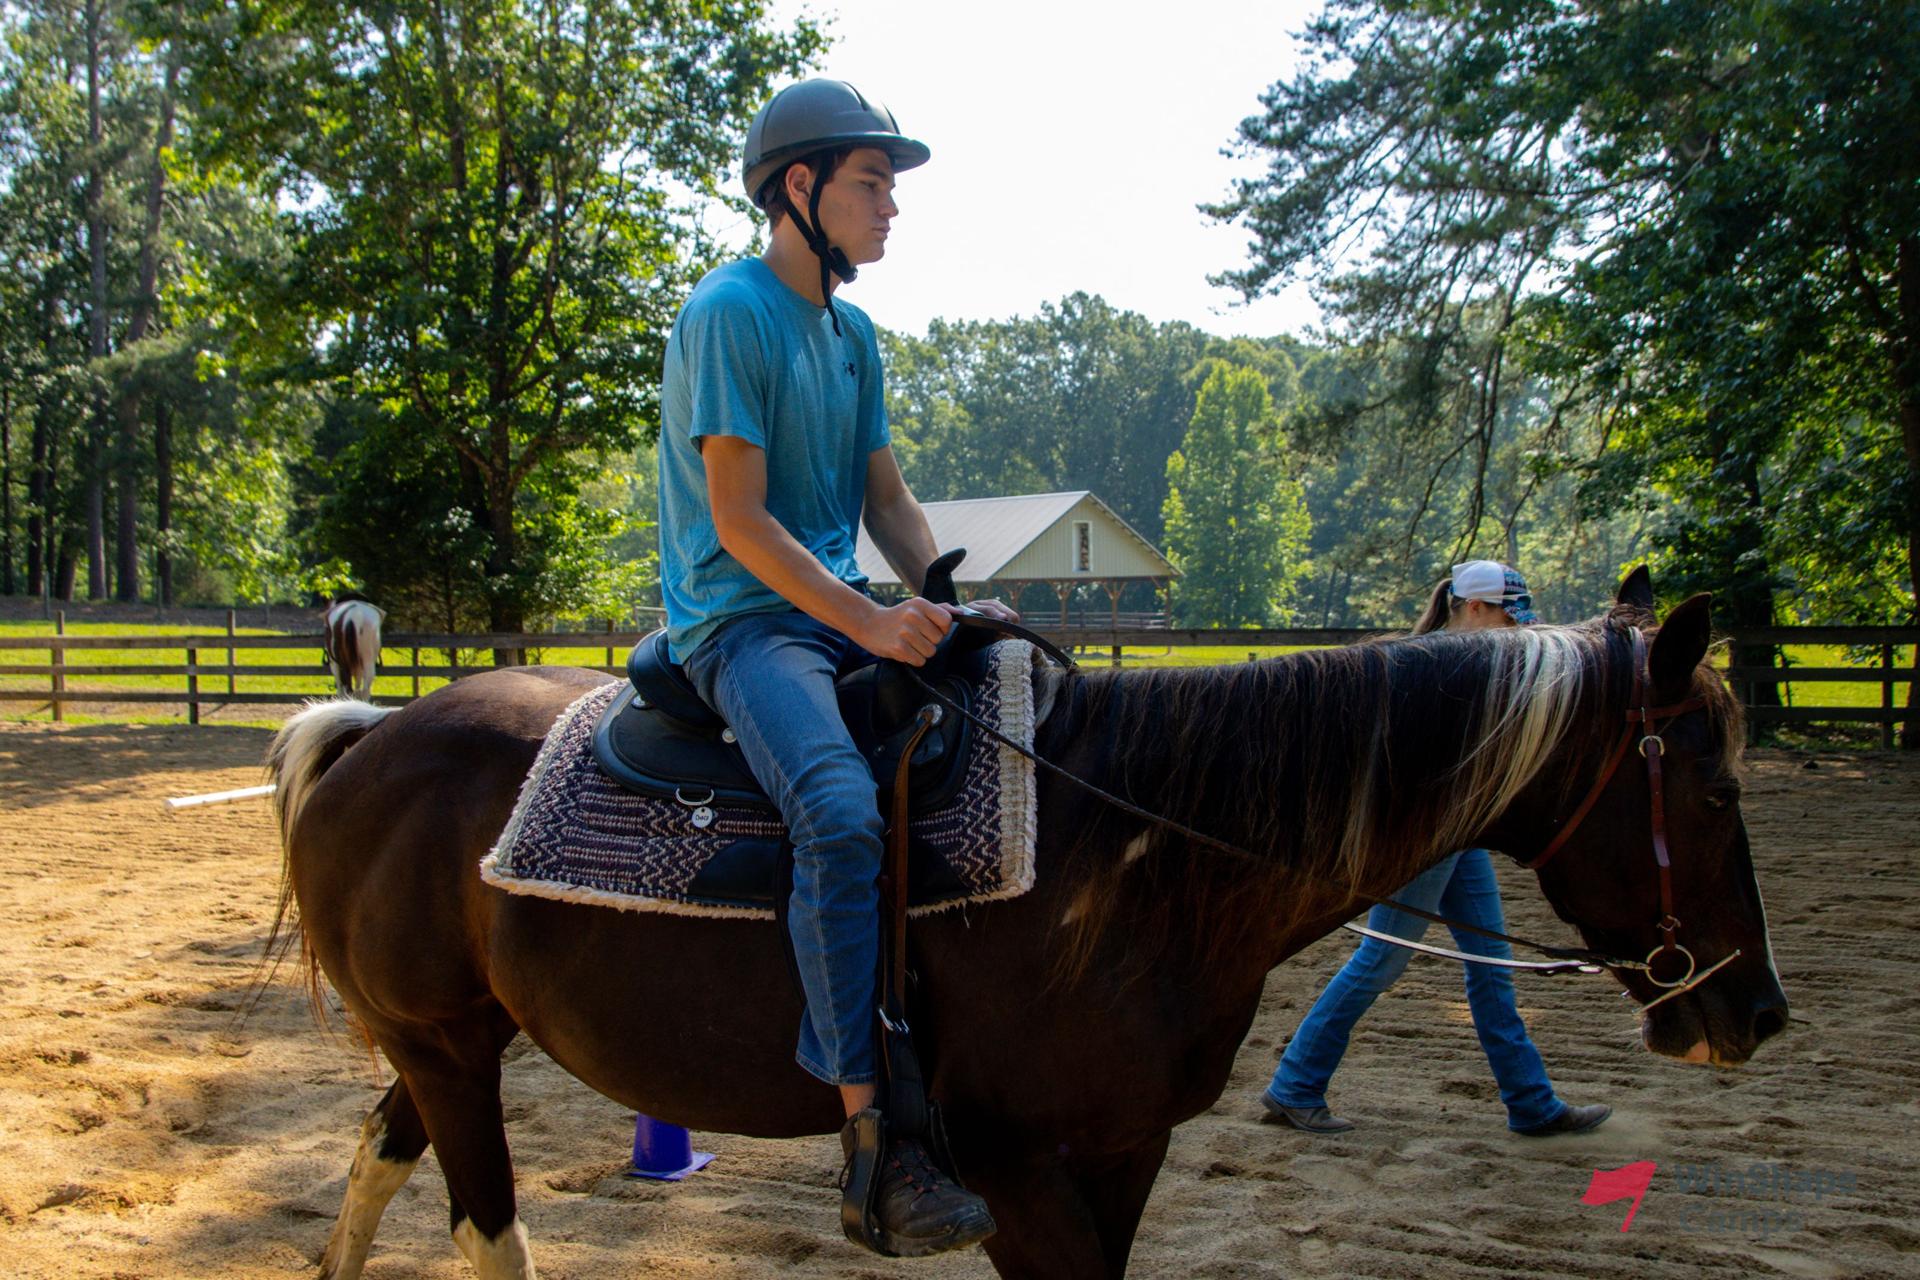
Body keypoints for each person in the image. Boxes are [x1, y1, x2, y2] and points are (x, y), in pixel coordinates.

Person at [656, 79, 1010, 1256]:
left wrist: (946, 597)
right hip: (745, 623)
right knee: (841, 811)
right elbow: (741, 522)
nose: (891, 206)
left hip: (838, 614)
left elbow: (887, 501)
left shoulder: (854, 338)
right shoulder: (730, 312)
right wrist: (869, 620)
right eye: (872, 183)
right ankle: (870, 1143)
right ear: (798, 187)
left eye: (892, 188)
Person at [1259, 561, 1612, 1138]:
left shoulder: (1467, 665)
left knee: (1490, 963)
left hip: (1458, 837)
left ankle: (1531, 1103)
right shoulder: (1430, 670)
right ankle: (1296, 1084)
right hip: (1422, 840)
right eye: (1507, 616)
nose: (1516, 628)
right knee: (1381, 960)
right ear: (1474, 608)